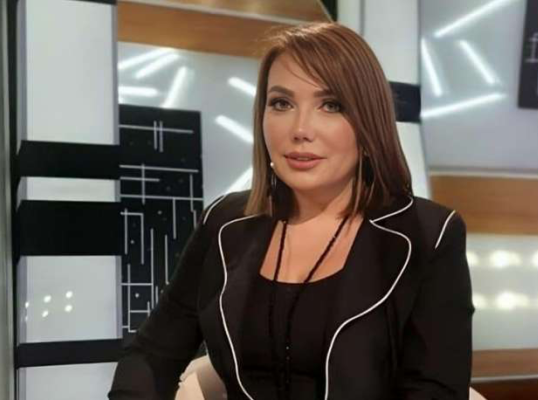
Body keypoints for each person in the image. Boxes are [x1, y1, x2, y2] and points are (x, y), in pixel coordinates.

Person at [109, 22, 474, 400]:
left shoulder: (429, 233)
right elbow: (152, 354)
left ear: (368, 122)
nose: (300, 129)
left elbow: (435, 390)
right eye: (281, 104)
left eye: (331, 105)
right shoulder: (225, 223)